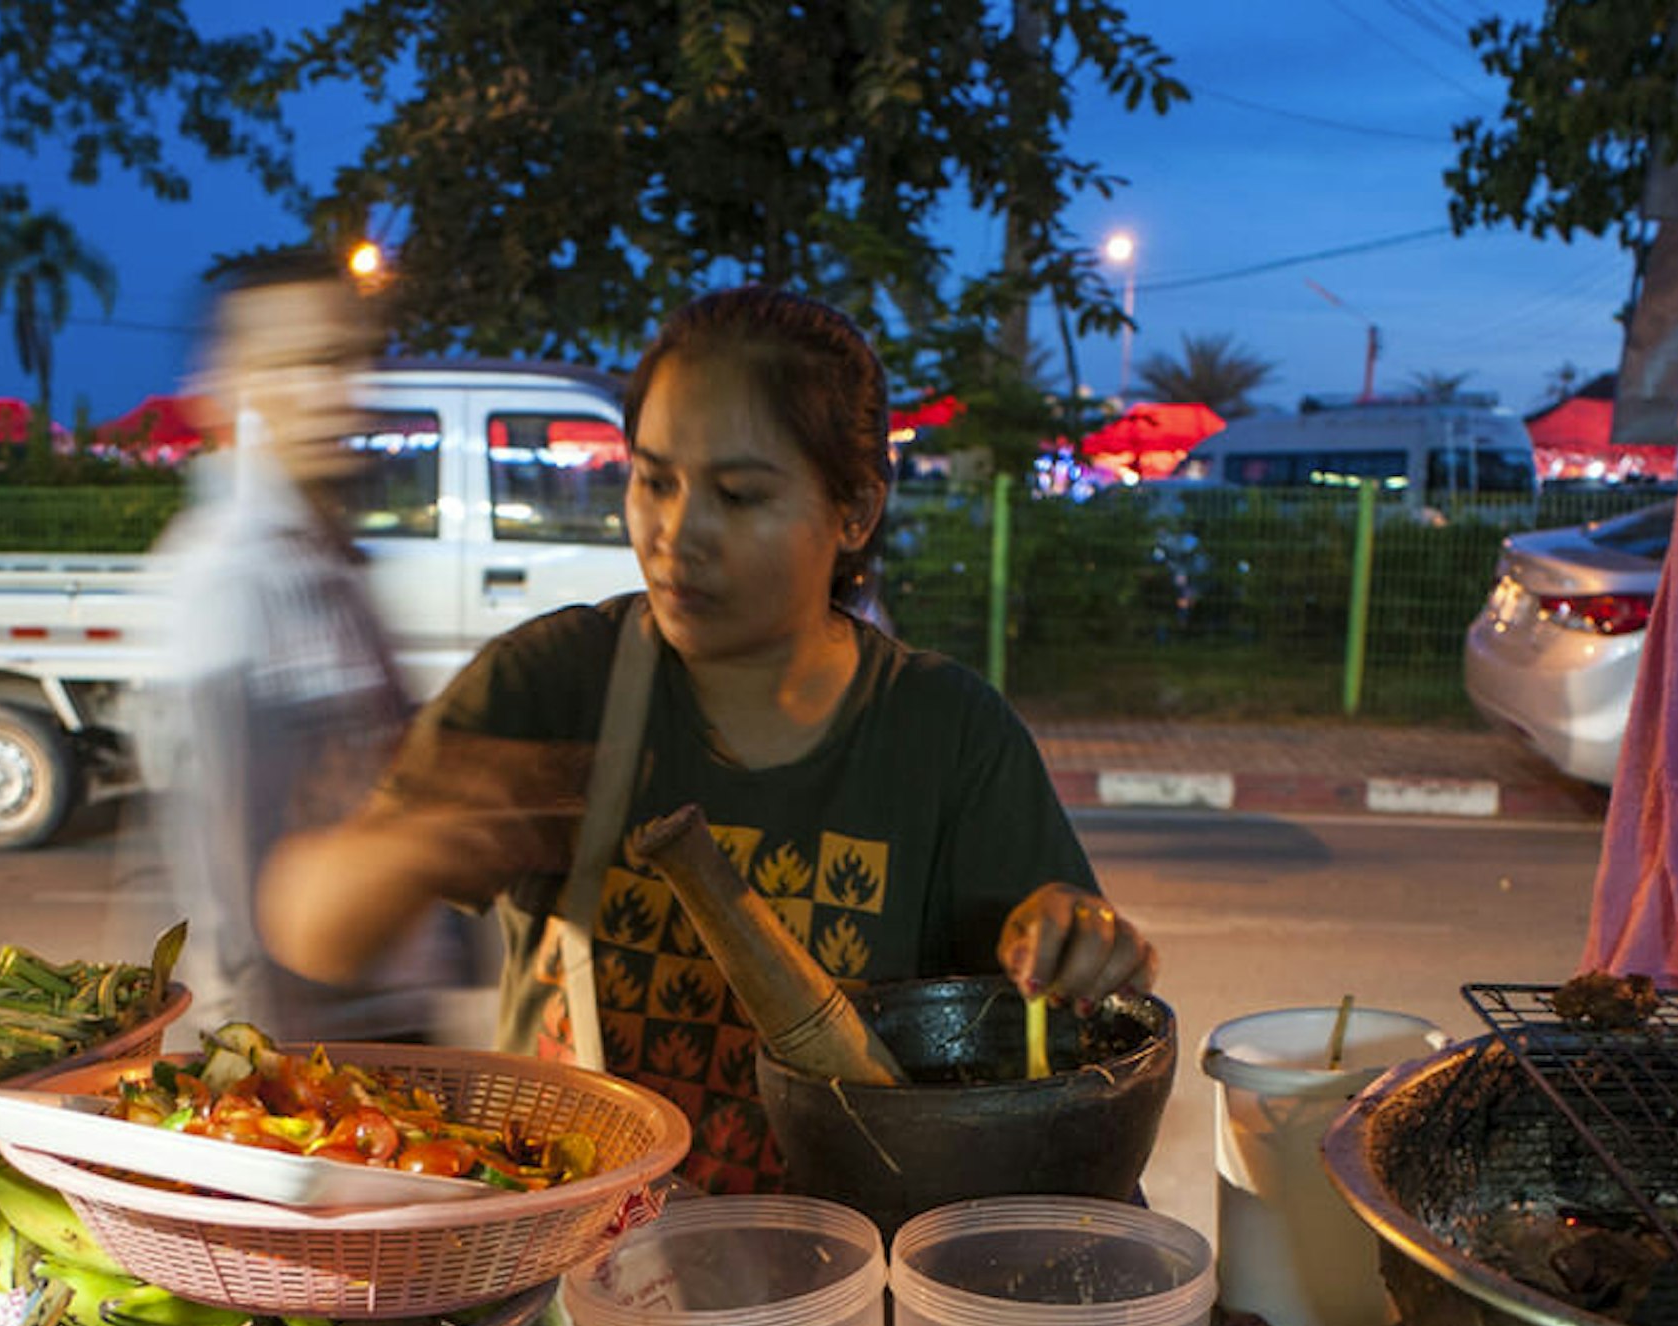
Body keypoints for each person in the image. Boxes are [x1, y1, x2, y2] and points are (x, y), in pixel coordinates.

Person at [255, 285, 1152, 1190]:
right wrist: (416, 847)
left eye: (739, 494)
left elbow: (1073, 1034)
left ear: (855, 511)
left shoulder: (948, 738)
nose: (677, 533)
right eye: (654, 480)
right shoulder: (556, 684)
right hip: (580, 1288)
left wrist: (1085, 946)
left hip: (838, 1293)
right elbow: (312, 929)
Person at [143, 247, 484, 1045]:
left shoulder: (325, 553)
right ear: (228, 388)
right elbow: (249, 898)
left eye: (350, 358)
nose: (338, 392)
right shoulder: (231, 579)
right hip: (304, 1061)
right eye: (300, 365)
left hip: (386, 1023)